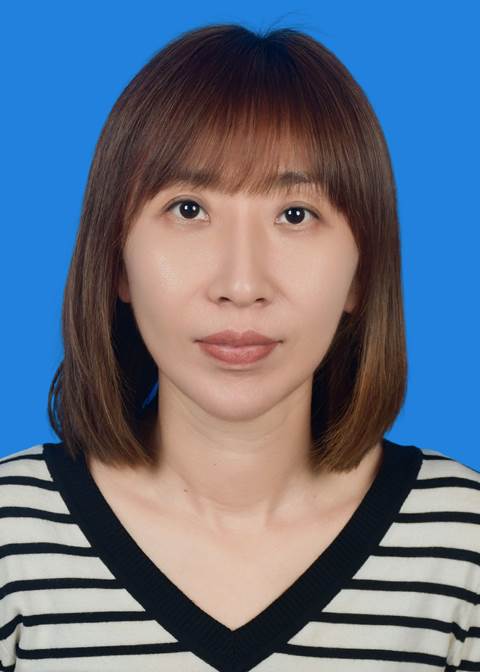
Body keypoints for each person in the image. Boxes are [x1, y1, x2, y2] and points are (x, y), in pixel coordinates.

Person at [1, 22, 479, 671]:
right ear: (117, 261)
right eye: (188, 209)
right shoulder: (14, 533)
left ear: (361, 273)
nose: (242, 285)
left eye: (295, 215)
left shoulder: (461, 542)